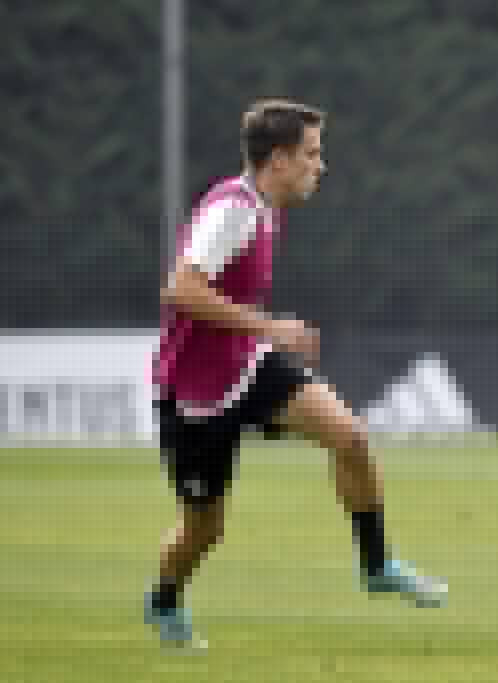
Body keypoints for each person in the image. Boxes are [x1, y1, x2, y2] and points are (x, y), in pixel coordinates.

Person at [147, 100, 446, 650]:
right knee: (204, 528)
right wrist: (271, 326)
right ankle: (164, 600)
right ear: (279, 159)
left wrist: (263, 335)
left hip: (246, 364)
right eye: (311, 153)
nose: (320, 165)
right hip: (194, 392)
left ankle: (376, 565)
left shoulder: (266, 208)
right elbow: (180, 290)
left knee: (350, 437)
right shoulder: (232, 210)